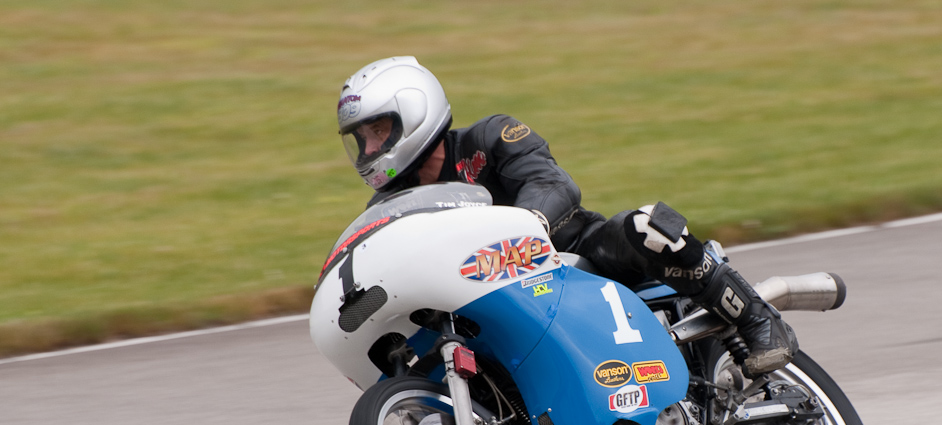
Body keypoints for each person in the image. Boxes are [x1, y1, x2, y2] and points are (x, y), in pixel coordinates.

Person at [336, 56, 797, 375]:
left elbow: (555, 185)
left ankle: (757, 318)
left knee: (648, 226)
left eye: (379, 131)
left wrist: (523, 229)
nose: (371, 148)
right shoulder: (390, 207)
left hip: (576, 255)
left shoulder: (492, 136)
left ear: (415, 113)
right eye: (362, 139)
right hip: (491, 299)